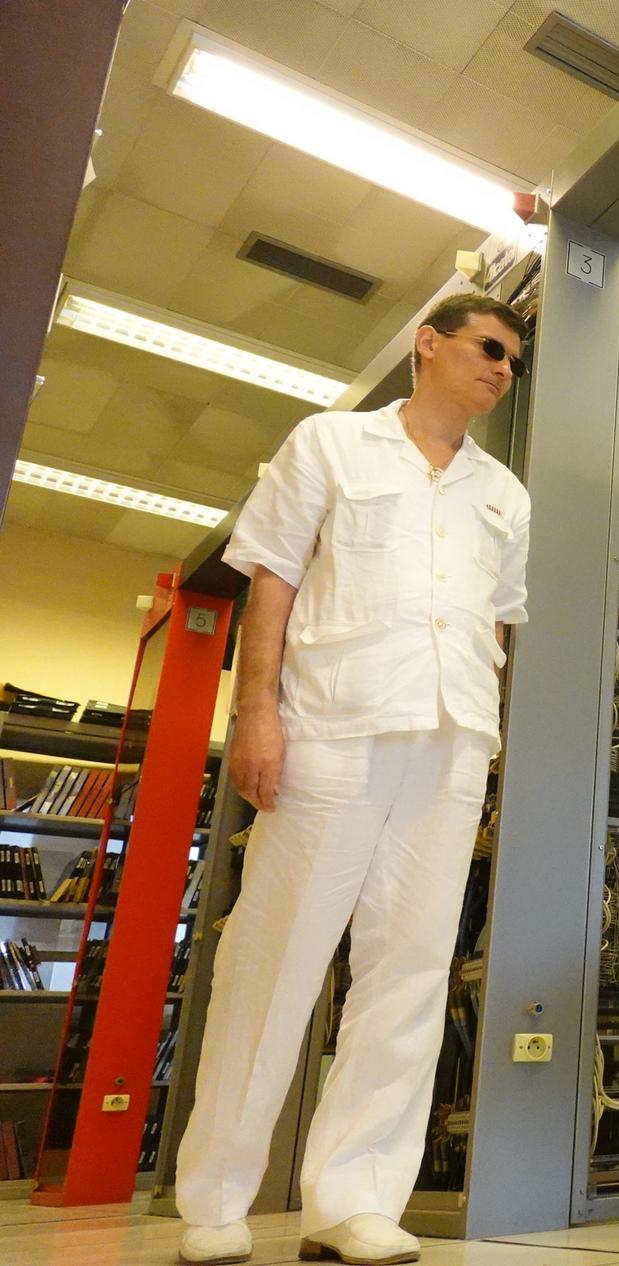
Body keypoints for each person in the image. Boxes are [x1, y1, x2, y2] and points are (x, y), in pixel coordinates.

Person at [174, 294, 532, 1266]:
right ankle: (216, 1202)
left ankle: (353, 1201)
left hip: (451, 743)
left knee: (410, 971)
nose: (503, 368)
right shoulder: (330, 446)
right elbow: (273, 578)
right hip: (332, 730)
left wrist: (485, 740)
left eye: (514, 359)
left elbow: (497, 621)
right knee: (276, 957)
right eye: (489, 347)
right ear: (429, 343)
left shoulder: (504, 495)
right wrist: (256, 713)